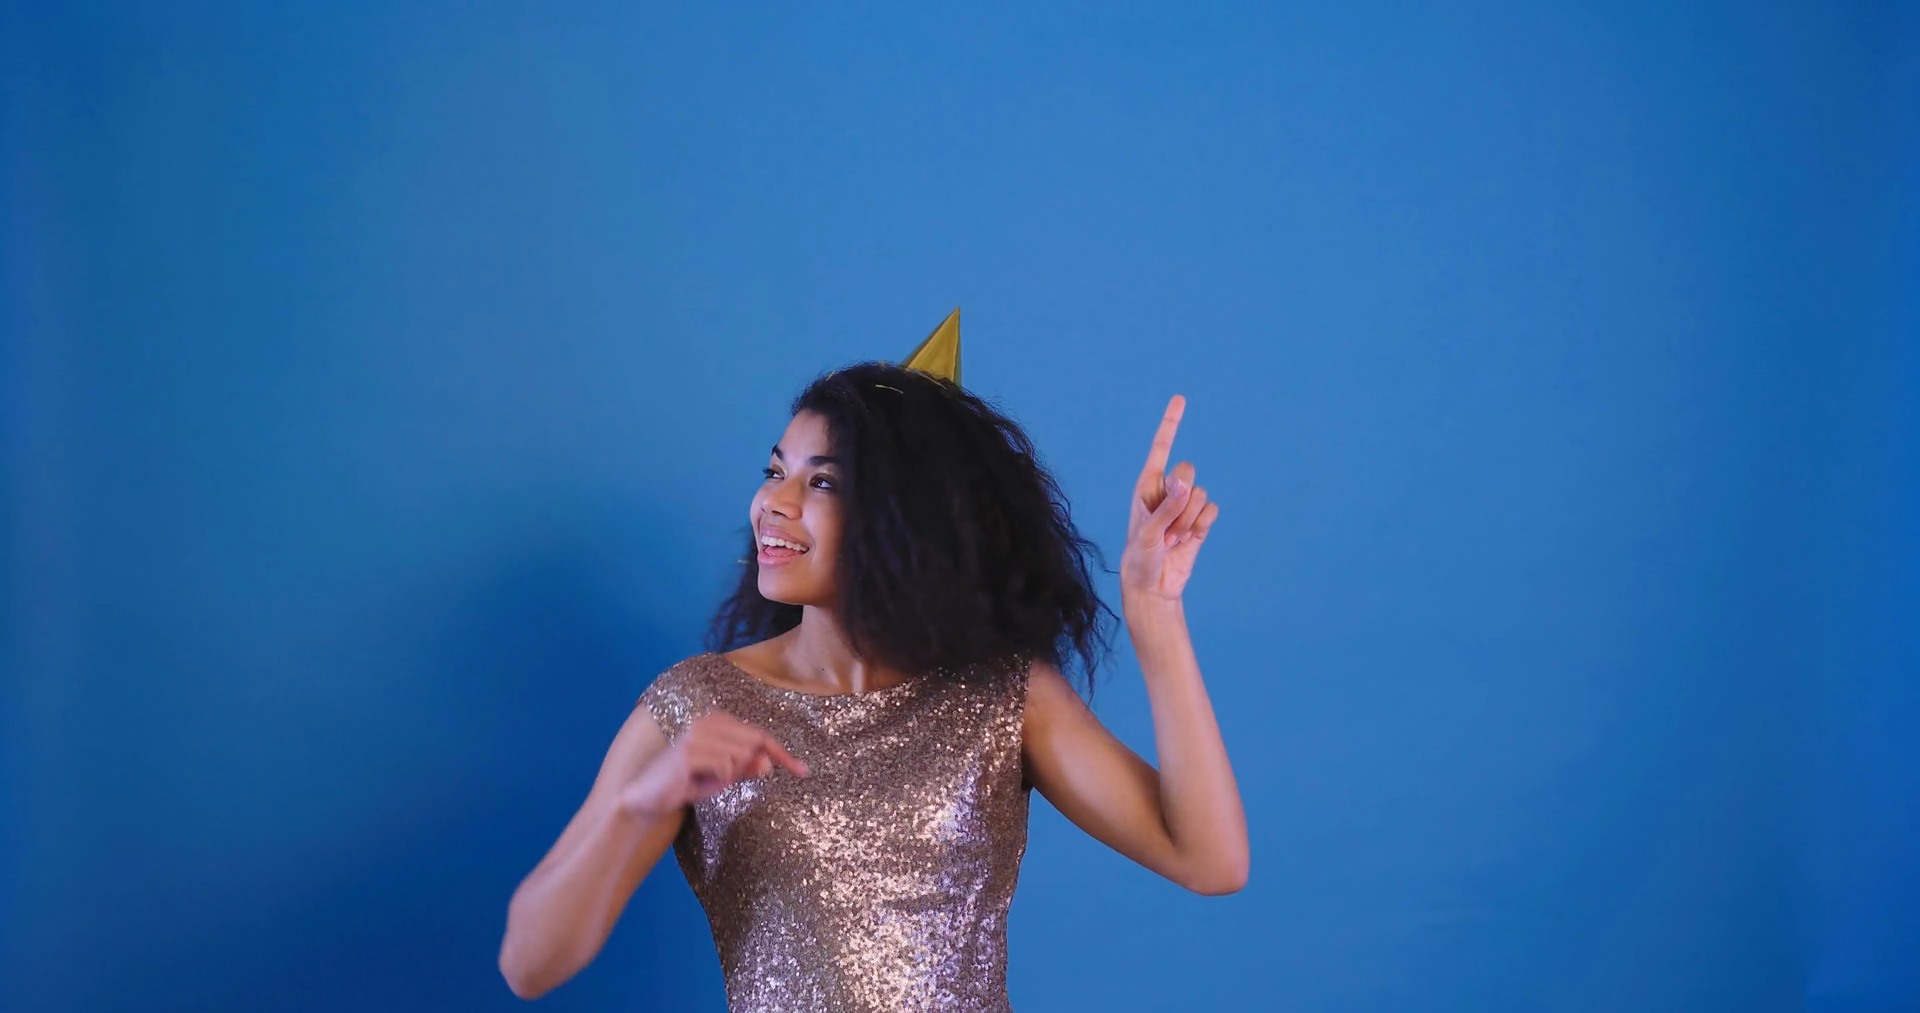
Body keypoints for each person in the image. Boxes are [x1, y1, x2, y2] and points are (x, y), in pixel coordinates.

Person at [497, 348, 1247, 1010]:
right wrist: (636, 805)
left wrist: (1155, 611)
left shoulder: (1000, 697)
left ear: (906, 516)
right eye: (775, 472)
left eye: (822, 482)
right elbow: (528, 965)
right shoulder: (696, 704)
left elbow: (1209, 861)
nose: (774, 502)